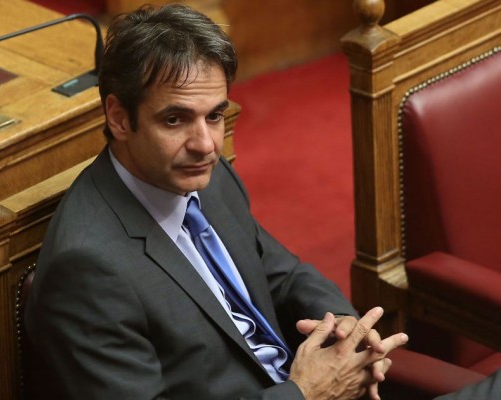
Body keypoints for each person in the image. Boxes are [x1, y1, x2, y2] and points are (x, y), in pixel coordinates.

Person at [24, 4, 407, 399]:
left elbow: (281, 274)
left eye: (214, 116)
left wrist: (344, 329)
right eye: (175, 120)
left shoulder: (204, 175)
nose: (206, 145)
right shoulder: (87, 269)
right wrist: (307, 392)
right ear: (119, 118)